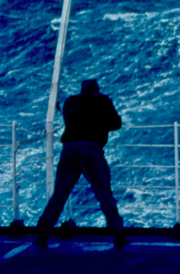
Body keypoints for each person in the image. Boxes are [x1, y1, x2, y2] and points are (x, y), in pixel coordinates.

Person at [35, 79, 125, 248]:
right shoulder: (102, 100)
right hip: (90, 148)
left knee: (60, 194)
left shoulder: (70, 102)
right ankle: (117, 231)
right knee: (102, 190)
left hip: (68, 149)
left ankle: (42, 232)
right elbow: (116, 124)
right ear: (96, 89)